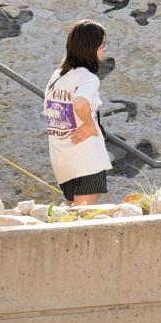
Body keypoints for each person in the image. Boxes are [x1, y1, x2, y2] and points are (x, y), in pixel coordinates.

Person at [45, 19, 112, 206]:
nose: (103, 51)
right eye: (102, 46)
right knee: (84, 222)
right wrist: (90, 126)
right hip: (86, 160)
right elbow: (80, 103)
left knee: (71, 218)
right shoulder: (88, 78)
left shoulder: (58, 76)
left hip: (63, 161)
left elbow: (58, 117)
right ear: (91, 48)